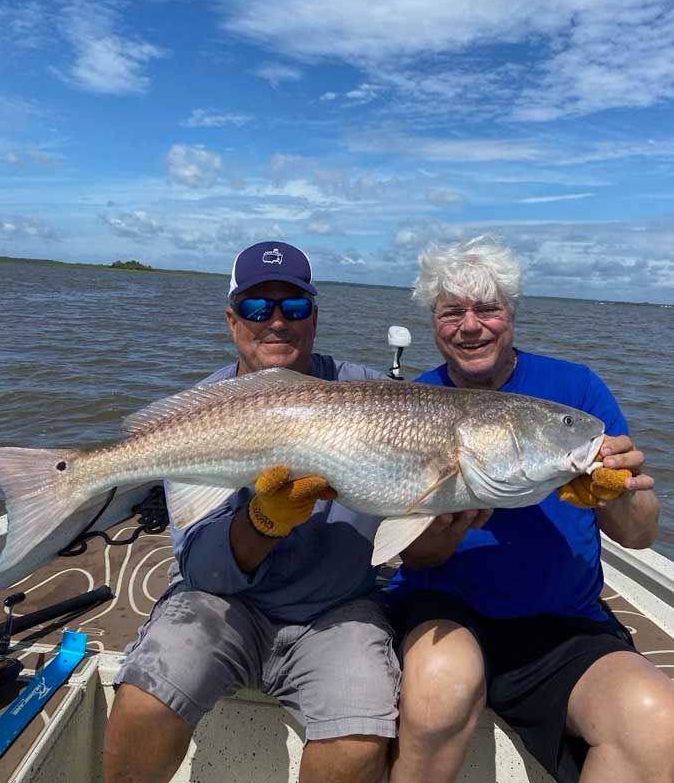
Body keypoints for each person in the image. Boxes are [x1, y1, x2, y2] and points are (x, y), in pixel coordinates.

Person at [103, 241, 400, 783]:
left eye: (295, 307)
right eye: (258, 308)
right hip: (221, 602)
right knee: (143, 703)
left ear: (314, 316)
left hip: (337, 608)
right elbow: (203, 573)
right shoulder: (199, 413)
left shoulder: (373, 391)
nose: (277, 323)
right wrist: (264, 523)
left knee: (358, 741)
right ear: (231, 319)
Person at [389, 235, 674, 783]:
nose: (471, 326)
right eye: (452, 312)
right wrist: (444, 533)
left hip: (563, 622)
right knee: (437, 691)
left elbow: (639, 536)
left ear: (511, 313)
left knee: (657, 718)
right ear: (433, 323)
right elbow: (413, 558)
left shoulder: (575, 394)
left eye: (488, 309)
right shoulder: (408, 406)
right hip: (444, 611)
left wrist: (620, 492)